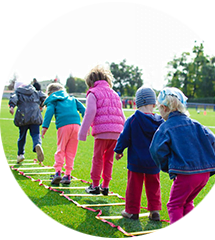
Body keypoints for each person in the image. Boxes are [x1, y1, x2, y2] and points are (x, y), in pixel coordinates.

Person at [149, 87, 215, 240]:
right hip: (204, 174)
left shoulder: (165, 127)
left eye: (159, 109)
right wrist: (206, 160)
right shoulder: (196, 124)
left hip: (186, 175)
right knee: (187, 205)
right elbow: (213, 140)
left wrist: (168, 167)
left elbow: (156, 150)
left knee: (174, 206)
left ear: (164, 108)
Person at [114, 87, 164, 220]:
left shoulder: (132, 120)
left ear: (136, 103)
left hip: (136, 161)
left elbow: (124, 137)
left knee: (133, 186)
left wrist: (119, 150)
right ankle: (154, 210)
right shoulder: (160, 121)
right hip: (154, 161)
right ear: (154, 104)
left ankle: (132, 211)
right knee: (154, 185)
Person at [78, 65, 125, 195]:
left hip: (102, 132)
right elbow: (122, 114)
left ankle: (94, 186)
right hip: (116, 132)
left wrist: (83, 132)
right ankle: (105, 186)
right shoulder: (115, 94)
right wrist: (125, 135)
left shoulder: (93, 93)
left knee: (97, 158)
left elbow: (90, 112)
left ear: (90, 82)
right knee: (108, 159)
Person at [41, 83, 85, 185]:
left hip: (64, 126)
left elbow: (49, 111)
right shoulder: (72, 98)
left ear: (50, 93)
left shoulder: (53, 99)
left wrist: (45, 126)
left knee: (61, 149)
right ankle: (67, 175)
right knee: (71, 151)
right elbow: (84, 110)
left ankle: (58, 172)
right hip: (76, 126)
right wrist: (87, 125)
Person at [9, 81, 46, 163]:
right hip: (35, 116)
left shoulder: (18, 92)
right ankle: (37, 144)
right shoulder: (34, 91)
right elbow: (43, 96)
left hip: (23, 118)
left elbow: (14, 98)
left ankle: (20, 154)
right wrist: (41, 105)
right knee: (36, 134)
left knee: (22, 136)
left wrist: (12, 106)